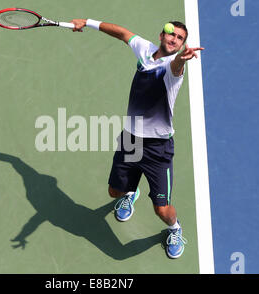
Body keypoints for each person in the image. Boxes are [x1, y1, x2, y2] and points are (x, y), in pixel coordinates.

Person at [71, 18, 204, 259]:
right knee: (114, 192)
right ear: (161, 35)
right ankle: (130, 194)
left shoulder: (172, 69)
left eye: (180, 39)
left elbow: (176, 65)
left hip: (157, 150)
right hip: (130, 141)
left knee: (162, 210)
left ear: (183, 45)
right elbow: (122, 32)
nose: (174, 40)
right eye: (171, 34)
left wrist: (180, 60)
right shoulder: (144, 49)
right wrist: (86, 21)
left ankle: (174, 229)